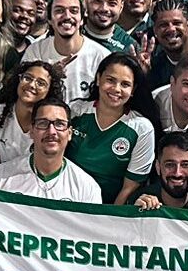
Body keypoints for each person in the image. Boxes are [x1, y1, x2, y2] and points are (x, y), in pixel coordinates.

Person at [67, 53, 157, 204]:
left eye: (125, 84)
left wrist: (109, 219)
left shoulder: (142, 128)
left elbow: (129, 188)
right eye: (110, 80)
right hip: (65, 199)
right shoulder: (75, 111)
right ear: (98, 79)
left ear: (133, 89)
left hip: (109, 207)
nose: (116, 89)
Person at [0, 97, 103, 203]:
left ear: (70, 133)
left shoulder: (87, 188)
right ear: (31, 131)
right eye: (43, 123)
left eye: (59, 124)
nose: (51, 131)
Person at [24, 0, 109, 103]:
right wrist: (50, 75)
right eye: (59, 11)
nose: (67, 16)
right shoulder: (35, 51)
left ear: (82, 18)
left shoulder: (101, 56)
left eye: (74, 11)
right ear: (49, 19)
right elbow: (23, 95)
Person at [0, 59, 60, 172]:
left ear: (49, 91)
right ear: (19, 80)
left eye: (40, 83)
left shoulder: (51, 124)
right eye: (27, 78)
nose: (31, 85)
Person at [145, 0, 188, 91]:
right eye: (163, 25)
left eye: (177, 23)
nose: (171, 29)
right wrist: (143, 75)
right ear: (155, 31)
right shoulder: (155, 67)